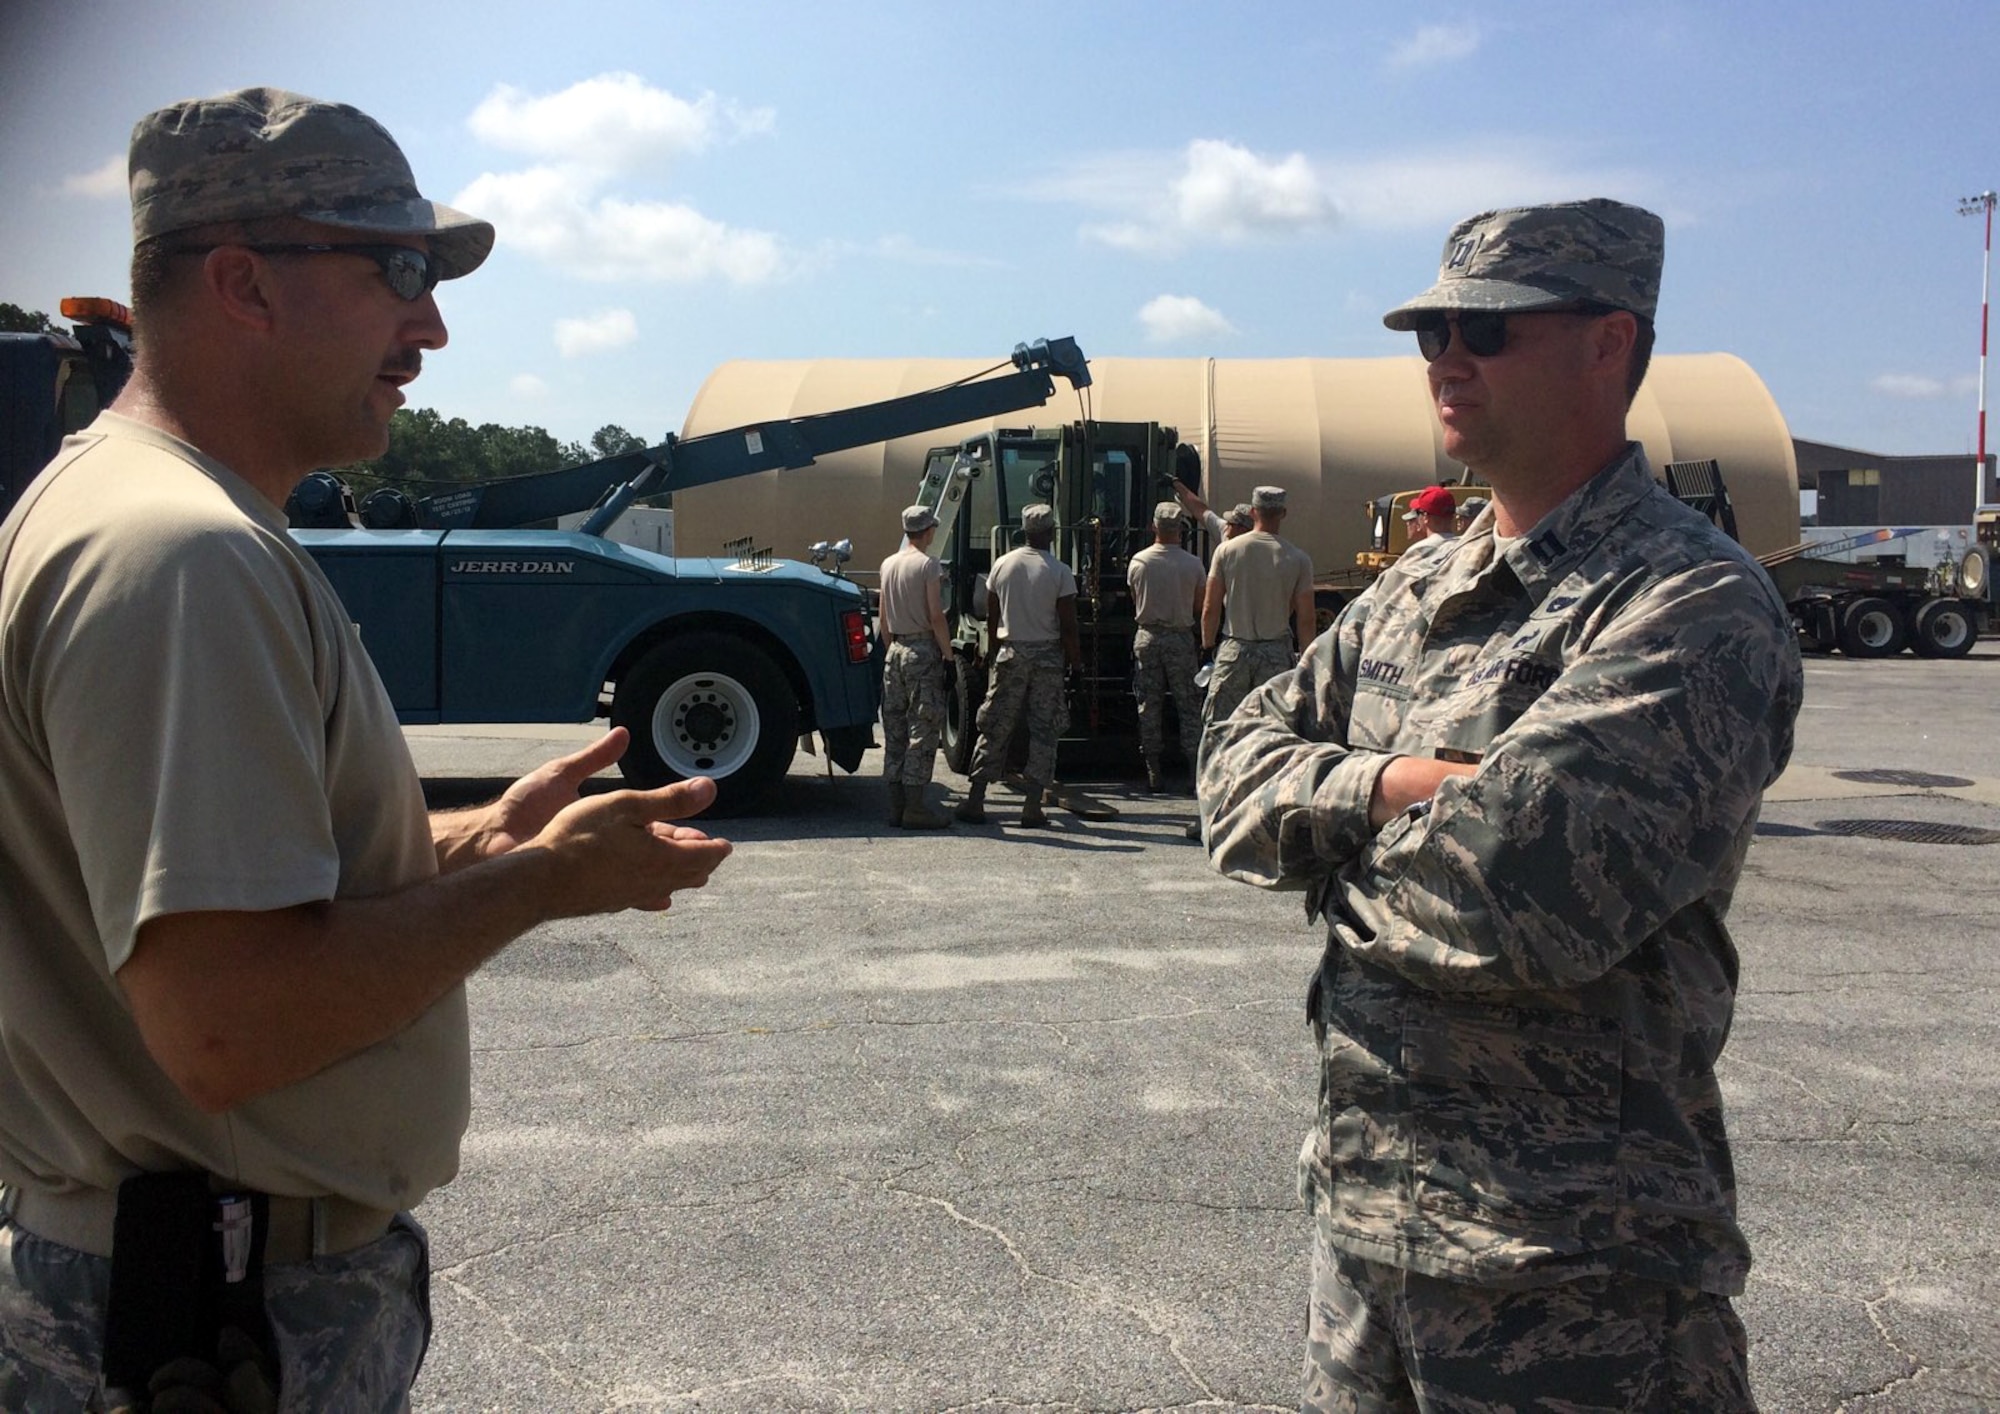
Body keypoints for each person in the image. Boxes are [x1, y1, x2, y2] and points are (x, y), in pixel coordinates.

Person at [0, 87, 733, 1409]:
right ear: (244, 284)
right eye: (398, 270)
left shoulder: (149, 513)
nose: (430, 325)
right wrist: (540, 883)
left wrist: (467, 841)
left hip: (209, 1295)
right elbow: (226, 1019)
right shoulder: (181, 557)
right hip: (211, 1327)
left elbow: (223, 884)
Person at [1198, 198, 1803, 1410]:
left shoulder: (1687, 604)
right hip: (1364, 1237)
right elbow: (1223, 774)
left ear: (1606, 344)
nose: (1444, 357)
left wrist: (1321, 839)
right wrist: (1394, 786)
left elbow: (1507, 901)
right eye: (1431, 331)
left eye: (1488, 328)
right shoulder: (1421, 581)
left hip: (1577, 1277)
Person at [955, 503, 1080, 828]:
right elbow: (1068, 625)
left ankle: (976, 799)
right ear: (1051, 532)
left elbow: (992, 613)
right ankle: (1032, 806)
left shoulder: (1002, 565)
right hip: (1047, 658)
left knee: (995, 724)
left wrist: (995, 652)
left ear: (1023, 531)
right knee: (1044, 730)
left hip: (1010, 653)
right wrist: (1076, 664)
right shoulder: (1059, 571)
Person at [1197, 485, 1314, 730]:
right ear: (1283, 513)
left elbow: (1211, 607)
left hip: (1235, 649)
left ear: (1252, 512)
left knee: (1220, 727)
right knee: (1274, 727)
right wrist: (1305, 658)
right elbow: (1306, 618)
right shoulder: (1298, 559)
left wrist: (1208, 646)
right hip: (1275, 652)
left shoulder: (1227, 551)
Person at [877, 504, 954, 830]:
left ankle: (895, 807)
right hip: (922, 650)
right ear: (928, 531)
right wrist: (948, 656)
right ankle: (916, 808)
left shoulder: (888, 564)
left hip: (894, 651)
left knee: (894, 729)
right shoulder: (928, 565)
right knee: (922, 729)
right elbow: (936, 615)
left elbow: (882, 618)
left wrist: (891, 650)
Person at [1125, 501, 1206, 793]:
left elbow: (1135, 598)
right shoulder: (1193, 564)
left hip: (1147, 637)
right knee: (1188, 705)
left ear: (1153, 527)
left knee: (1149, 704)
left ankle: (1153, 769)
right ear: (1181, 529)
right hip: (1181, 637)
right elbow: (1199, 605)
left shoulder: (1139, 562)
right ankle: (1194, 771)